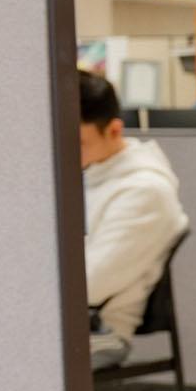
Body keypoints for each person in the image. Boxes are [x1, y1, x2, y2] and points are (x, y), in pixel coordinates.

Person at [77, 70, 188, 369]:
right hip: (56, 319)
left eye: (79, 142)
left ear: (113, 130)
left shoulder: (145, 191)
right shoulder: (90, 172)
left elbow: (90, 285)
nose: (68, 152)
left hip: (97, 330)